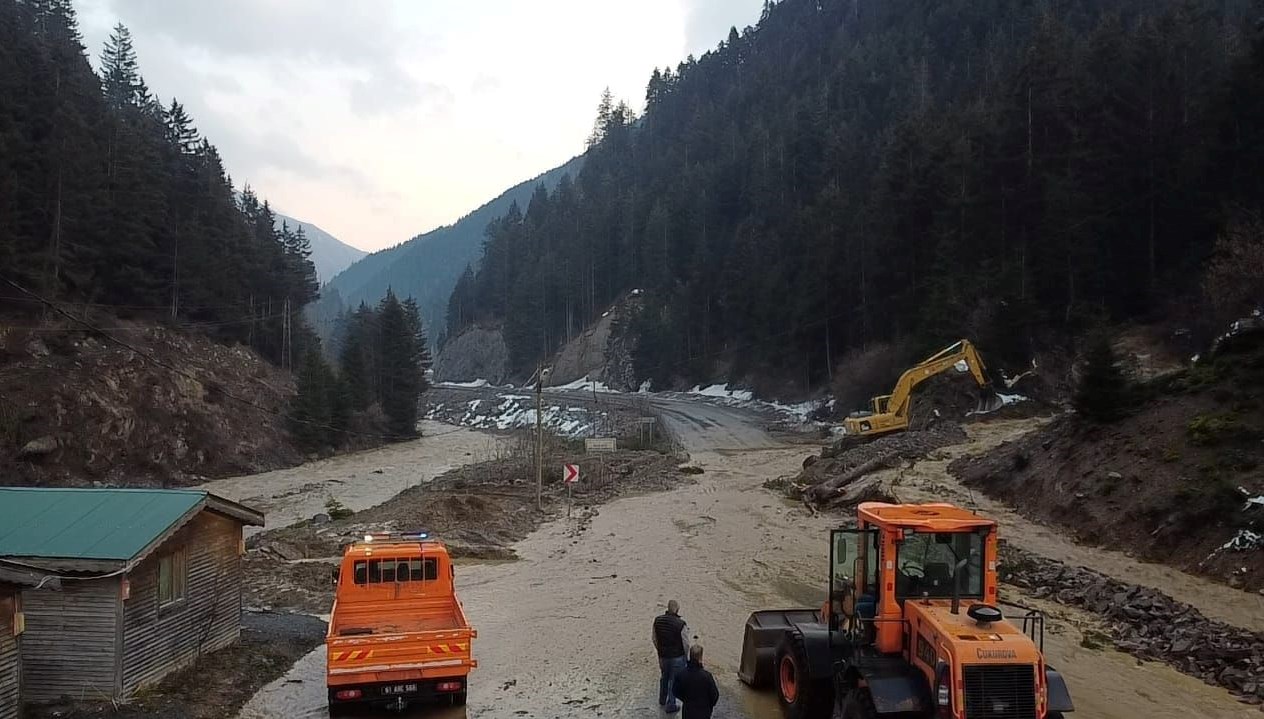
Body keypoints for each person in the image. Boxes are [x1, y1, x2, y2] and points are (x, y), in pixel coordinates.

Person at [652, 599, 690, 713]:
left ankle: (662, 699)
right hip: (677, 657)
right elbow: (686, 643)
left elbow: (654, 638)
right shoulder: (681, 624)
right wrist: (685, 656)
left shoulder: (657, 621)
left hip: (663, 656)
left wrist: (659, 650)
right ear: (677, 610)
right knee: (673, 680)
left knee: (664, 677)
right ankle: (671, 704)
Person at [672, 644, 719, 719]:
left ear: (690, 656)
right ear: (700, 658)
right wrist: (709, 706)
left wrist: (685, 699)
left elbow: (675, 691)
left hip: (688, 711)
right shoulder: (707, 676)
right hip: (704, 712)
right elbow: (715, 696)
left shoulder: (681, 674)